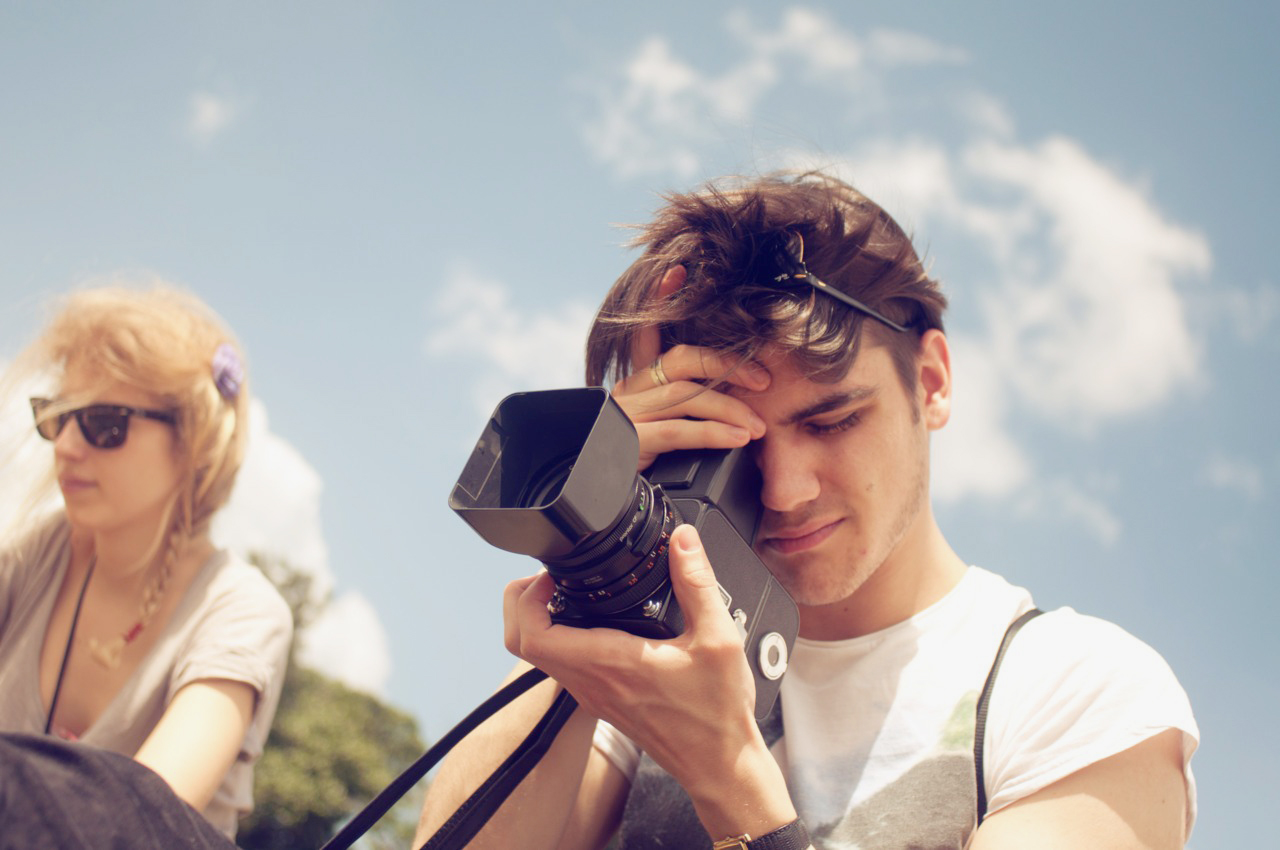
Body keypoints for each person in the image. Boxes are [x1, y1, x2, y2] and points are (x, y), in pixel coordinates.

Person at [416, 172, 1199, 849]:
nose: (786, 488)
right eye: (736, 441)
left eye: (831, 422)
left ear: (930, 382)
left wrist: (729, 777)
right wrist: (598, 544)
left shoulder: (1080, 695)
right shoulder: (651, 662)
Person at [0, 285, 293, 840]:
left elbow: (137, 821)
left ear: (196, 444)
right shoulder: (40, 553)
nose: (64, 446)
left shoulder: (241, 612)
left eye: (102, 422)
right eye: (55, 417)